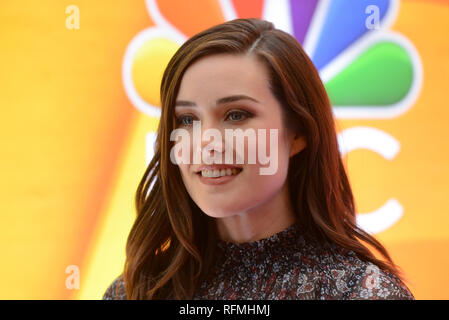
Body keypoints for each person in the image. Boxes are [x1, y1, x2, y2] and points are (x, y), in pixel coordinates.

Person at [103, 18, 414, 300]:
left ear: (298, 133)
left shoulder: (363, 294)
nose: (205, 143)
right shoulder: (135, 291)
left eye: (236, 115)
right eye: (187, 119)